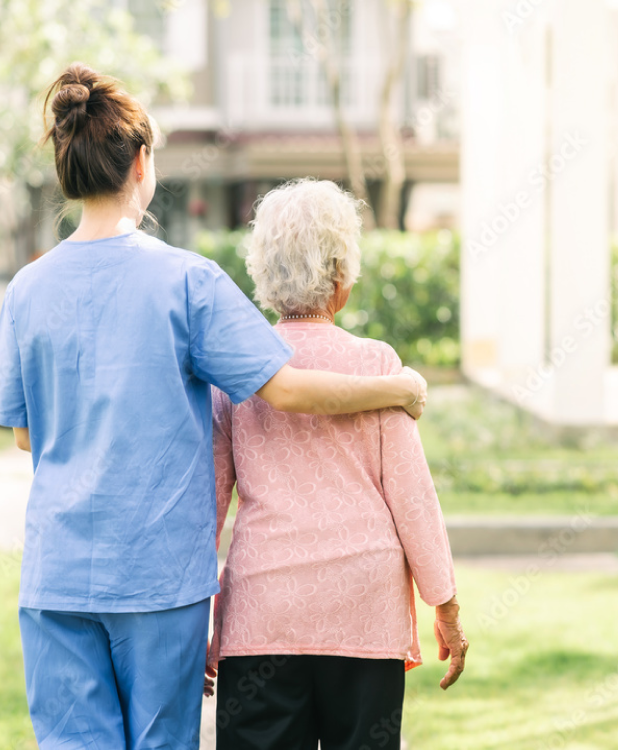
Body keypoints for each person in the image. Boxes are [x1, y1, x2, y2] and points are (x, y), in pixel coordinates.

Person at [0, 64, 428, 750]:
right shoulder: (187, 281)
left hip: (57, 576)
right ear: (141, 162)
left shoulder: (27, 289)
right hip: (159, 581)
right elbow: (286, 388)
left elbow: (23, 433)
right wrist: (395, 389)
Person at [206, 179, 468, 750]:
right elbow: (413, 499)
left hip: (263, 613)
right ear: (341, 276)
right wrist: (445, 606)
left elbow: (207, 506)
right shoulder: (378, 365)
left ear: (264, 272)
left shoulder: (237, 373)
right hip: (363, 612)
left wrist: (196, 620)